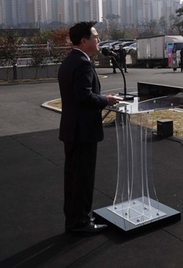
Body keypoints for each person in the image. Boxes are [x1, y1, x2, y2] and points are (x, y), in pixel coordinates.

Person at [58, 21, 121, 234]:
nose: (99, 40)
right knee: (82, 179)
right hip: (82, 131)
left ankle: (75, 219)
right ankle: (81, 223)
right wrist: (106, 100)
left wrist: (102, 98)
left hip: (72, 130)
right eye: (95, 37)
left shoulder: (70, 60)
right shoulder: (82, 63)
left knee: (73, 178)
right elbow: (84, 96)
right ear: (84, 41)